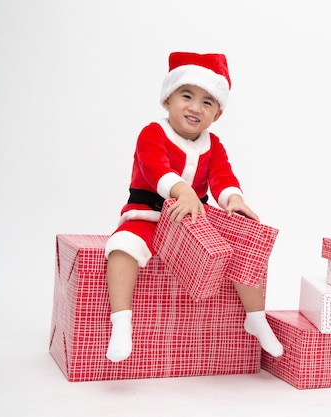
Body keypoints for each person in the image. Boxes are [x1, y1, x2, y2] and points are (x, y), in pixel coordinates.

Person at [104, 51, 283, 362]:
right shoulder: (152, 133)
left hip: (193, 222)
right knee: (121, 247)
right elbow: (154, 166)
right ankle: (121, 322)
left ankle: (255, 316)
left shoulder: (213, 145)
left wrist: (234, 199)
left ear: (217, 114)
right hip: (149, 216)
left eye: (207, 102)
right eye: (187, 96)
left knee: (245, 246)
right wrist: (181, 189)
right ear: (167, 100)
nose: (195, 108)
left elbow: (222, 175)